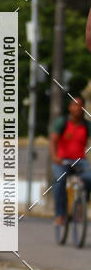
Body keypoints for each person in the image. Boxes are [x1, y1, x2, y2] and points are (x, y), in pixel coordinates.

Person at [50, 95, 91, 225]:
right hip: (62, 160)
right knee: (59, 180)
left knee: (89, 177)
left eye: (80, 105)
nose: (77, 108)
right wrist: (55, 156)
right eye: (75, 105)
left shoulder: (87, 125)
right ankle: (60, 214)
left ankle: (81, 205)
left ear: (84, 108)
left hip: (80, 161)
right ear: (70, 107)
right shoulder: (62, 122)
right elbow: (53, 140)